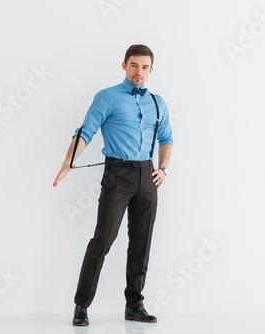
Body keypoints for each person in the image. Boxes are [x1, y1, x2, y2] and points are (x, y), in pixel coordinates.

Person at [53, 44, 173, 326]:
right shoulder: (107, 97)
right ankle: (81, 305)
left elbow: (167, 138)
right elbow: (86, 131)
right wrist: (66, 163)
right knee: (103, 239)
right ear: (124, 66)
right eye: (134, 65)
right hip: (117, 174)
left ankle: (134, 305)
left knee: (141, 243)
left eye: (144, 67)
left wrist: (164, 169)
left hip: (148, 175)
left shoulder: (157, 102)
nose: (139, 72)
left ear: (151, 70)